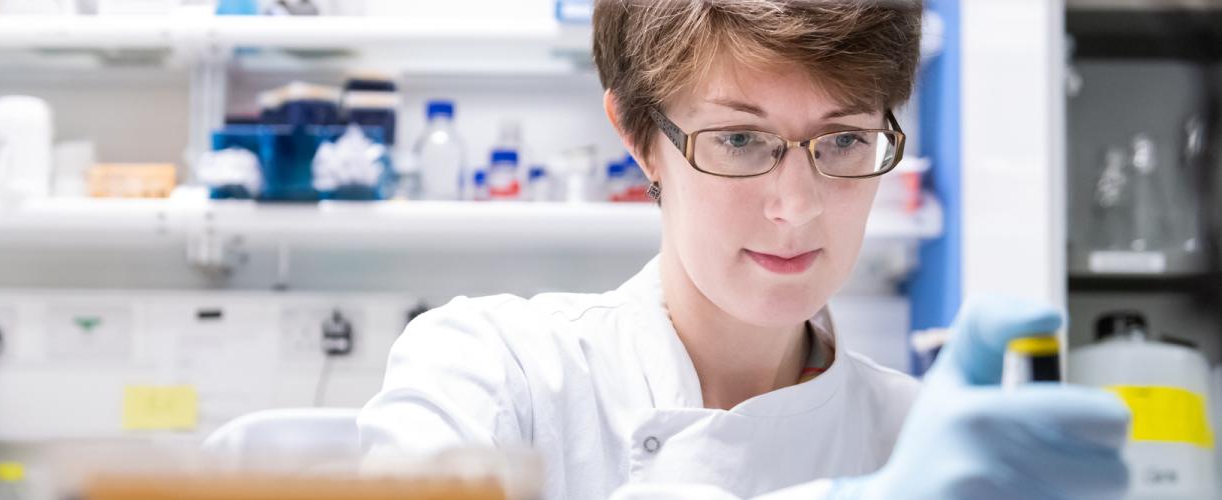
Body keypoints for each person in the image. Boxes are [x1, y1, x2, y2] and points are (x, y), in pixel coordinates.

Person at [358, 1, 1132, 499]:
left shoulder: (925, 442)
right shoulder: (496, 373)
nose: (796, 205)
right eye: (738, 138)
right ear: (638, 138)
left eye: (845, 139)